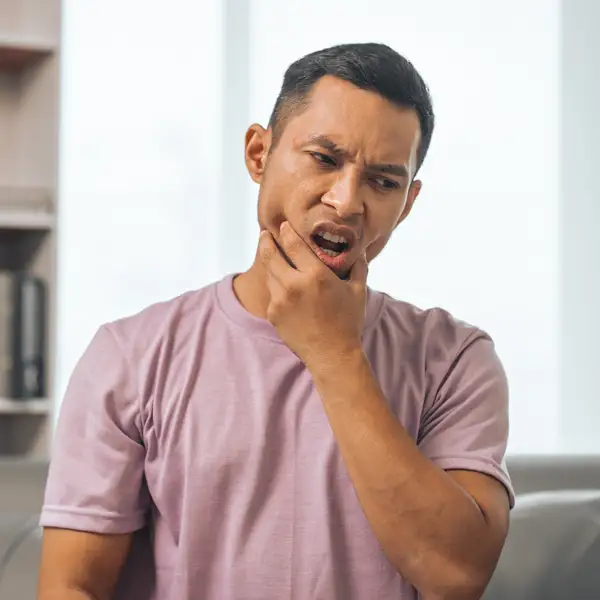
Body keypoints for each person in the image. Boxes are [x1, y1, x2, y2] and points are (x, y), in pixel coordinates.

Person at [37, 43, 513, 600]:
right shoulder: (130, 356)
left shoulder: (456, 359)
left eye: (382, 182)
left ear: (406, 203)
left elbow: (457, 576)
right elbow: (73, 587)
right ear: (259, 154)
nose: (345, 201)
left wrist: (334, 353)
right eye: (324, 158)